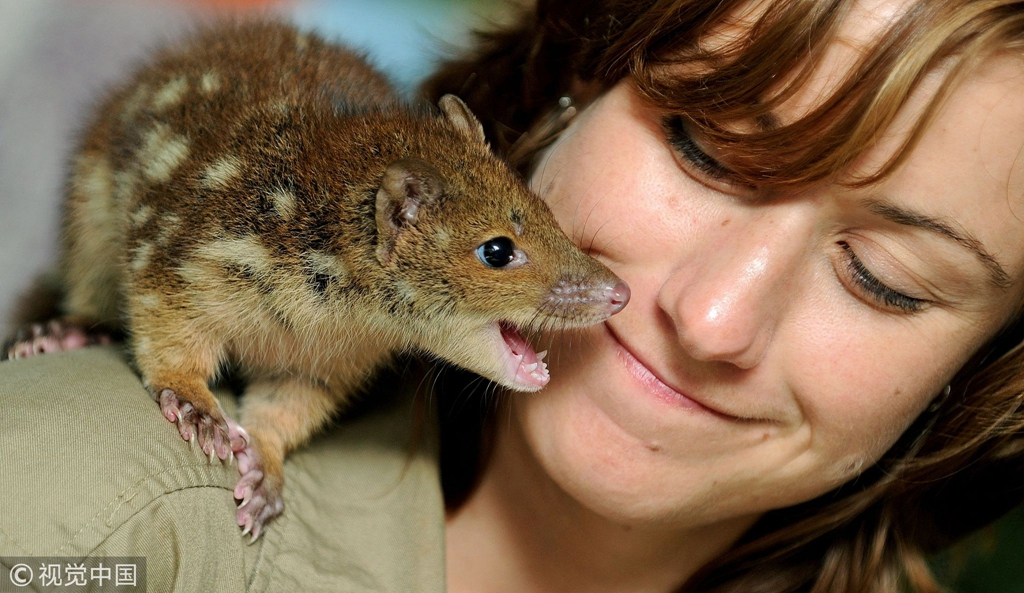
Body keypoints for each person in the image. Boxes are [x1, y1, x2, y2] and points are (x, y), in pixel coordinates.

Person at [1, 0, 1022, 592]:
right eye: (703, 149)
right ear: (569, 92)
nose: (713, 318)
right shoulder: (98, 516)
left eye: (883, 279)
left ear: (983, 374)